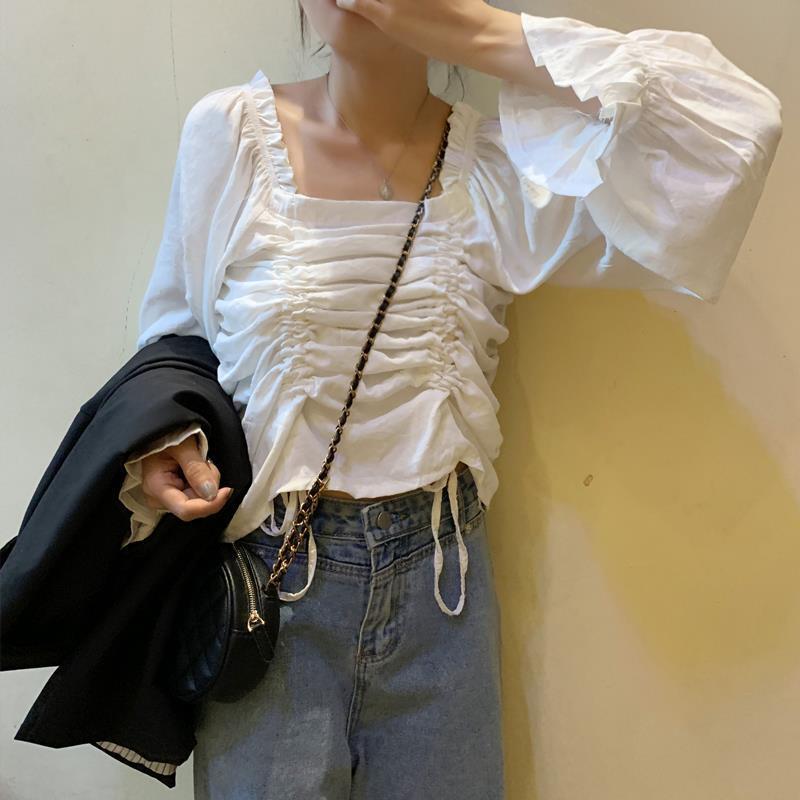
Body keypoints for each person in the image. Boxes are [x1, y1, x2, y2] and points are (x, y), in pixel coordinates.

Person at [116, 1, 782, 797]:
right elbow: (176, 338)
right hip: (271, 589)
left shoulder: (498, 171)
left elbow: (732, 135)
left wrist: (466, 30)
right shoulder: (230, 136)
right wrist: (167, 447)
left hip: (443, 588)